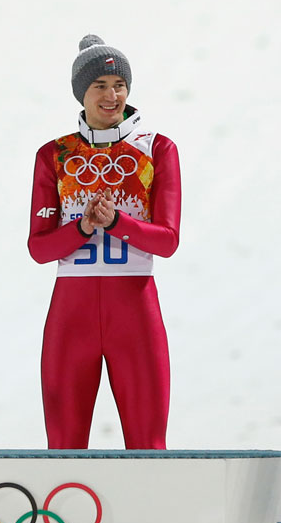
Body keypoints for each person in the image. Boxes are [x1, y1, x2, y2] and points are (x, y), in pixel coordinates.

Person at [27, 35, 180, 449]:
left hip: (134, 309)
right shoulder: (54, 155)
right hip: (70, 315)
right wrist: (81, 229)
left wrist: (116, 222)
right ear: (82, 92)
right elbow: (39, 249)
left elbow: (167, 242)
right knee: (63, 449)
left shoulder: (157, 149)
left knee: (148, 448)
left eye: (119, 85)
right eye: (100, 86)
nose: (112, 96)